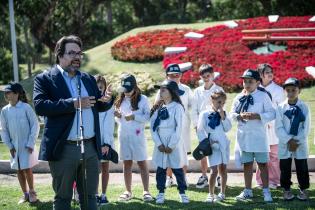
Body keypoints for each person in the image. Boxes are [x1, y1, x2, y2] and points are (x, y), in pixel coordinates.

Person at [33, 35, 113, 210]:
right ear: (59, 55)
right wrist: (74, 104)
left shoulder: (88, 79)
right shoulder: (45, 79)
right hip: (64, 148)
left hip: (91, 148)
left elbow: (97, 106)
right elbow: (40, 106)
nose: (77, 57)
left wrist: (106, 100)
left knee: (90, 197)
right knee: (63, 198)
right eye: (71, 53)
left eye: (79, 53)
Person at [230, 69, 275, 202]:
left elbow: (272, 113)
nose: (247, 84)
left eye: (250, 81)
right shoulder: (238, 97)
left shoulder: (263, 96)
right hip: (244, 137)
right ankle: (248, 190)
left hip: (259, 137)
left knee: (262, 164)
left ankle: (266, 191)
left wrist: (257, 116)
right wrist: (239, 116)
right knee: (247, 164)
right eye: (245, 81)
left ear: (257, 82)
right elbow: (231, 114)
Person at [114, 74, 153, 202]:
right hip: (124, 136)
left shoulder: (143, 99)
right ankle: (128, 191)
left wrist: (135, 117)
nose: (126, 93)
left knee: (142, 162)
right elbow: (119, 120)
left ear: (135, 87)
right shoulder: (121, 100)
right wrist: (118, 115)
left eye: (129, 90)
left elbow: (148, 117)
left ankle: (146, 191)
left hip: (138, 136)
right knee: (127, 163)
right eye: (124, 90)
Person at [150, 80, 189, 204]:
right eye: (160, 89)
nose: (160, 91)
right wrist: (159, 143)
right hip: (160, 141)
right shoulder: (158, 107)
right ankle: (161, 192)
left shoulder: (177, 107)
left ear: (171, 92)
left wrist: (171, 145)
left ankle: (182, 192)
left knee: (177, 169)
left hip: (174, 142)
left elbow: (179, 128)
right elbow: (153, 127)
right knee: (161, 169)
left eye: (163, 89)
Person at [0, 82, 40, 204]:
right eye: (5, 93)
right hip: (14, 147)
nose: (7, 95)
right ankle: (25, 194)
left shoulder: (26, 108)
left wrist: (30, 142)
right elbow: (3, 129)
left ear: (17, 94)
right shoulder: (5, 111)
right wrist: (10, 146)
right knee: (18, 169)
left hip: (26, 145)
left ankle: (32, 192)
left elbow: (35, 125)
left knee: (27, 169)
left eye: (9, 92)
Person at [155, 63, 192, 187]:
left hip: (183, 126)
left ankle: (183, 177)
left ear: (181, 75)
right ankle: (169, 177)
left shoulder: (186, 89)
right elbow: (156, 106)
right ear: (167, 76)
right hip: (167, 127)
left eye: (177, 75)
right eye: (171, 76)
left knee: (183, 153)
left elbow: (192, 105)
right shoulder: (162, 89)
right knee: (168, 151)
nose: (175, 78)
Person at [275, 78, 310, 201]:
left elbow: (306, 128)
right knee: (285, 167)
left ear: (299, 90)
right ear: (284, 91)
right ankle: (286, 189)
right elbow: (278, 127)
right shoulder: (280, 107)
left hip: (300, 143)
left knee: (302, 166)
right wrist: (289, 140)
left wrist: (296, 141)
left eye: (293, 90)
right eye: (288, 90)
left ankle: (304, 189)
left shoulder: (304, 107)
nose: (290, 93)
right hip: (285, 143)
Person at [191, 64, 224, 189]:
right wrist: (196, 125)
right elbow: (194, 110)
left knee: (217, 149)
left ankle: (219, 176)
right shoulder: (197, 91)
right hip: (201, 126)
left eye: (208, 76)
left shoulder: (219, 90)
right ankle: (204, 176)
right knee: (204, 150)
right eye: (203, 76)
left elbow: (222, 107)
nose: (206, 78)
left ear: (213, 75)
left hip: (215, 125)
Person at [197, 90, 231, 203]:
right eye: (219, 102)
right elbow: (200, 130)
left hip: (223, 144)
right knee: (214, 170)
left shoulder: (224, 114)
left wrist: (223, 118)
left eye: (223, 103)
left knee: (223, 169)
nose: (221, 105)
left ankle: (222, 193)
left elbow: (227, 128)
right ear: (212, 100)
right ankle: (211, 194)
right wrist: (207, 142)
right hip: (212, 145)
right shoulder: (205, 114)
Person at [256, 63, 285, 189]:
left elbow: (281, 110)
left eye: (271, 71)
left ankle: (274, 181)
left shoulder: (278, 90)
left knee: (274, 156)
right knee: (261, 155)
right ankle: (260, 181)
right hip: (259, 127)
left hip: (273, 127)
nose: (270, 74)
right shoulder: (255, 89)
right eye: (267, 72)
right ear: (260, 75)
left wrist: (271, 122)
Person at [95, 75, 115, 205]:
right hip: (92, 141)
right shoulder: (90, 103)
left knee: (105, 167)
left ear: (104, 88)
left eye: (101, 87)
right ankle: (95, 194)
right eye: (96, 88)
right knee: (94, 169)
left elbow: (109, 124)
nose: (99, 90)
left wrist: (106, 144)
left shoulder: (109, 104)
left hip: (105, 142)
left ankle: (103, 195)